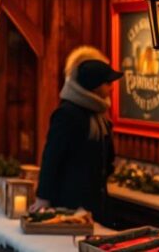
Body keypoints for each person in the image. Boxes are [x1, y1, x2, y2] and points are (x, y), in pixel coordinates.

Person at [30, 47, 121, 220]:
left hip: (94, 204)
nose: (112, 88)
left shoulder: (99, 115)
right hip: (69, 206)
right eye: (107, 83)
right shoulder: (67, 114)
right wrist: (43, 197)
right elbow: (52, 156)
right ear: (95, 86)